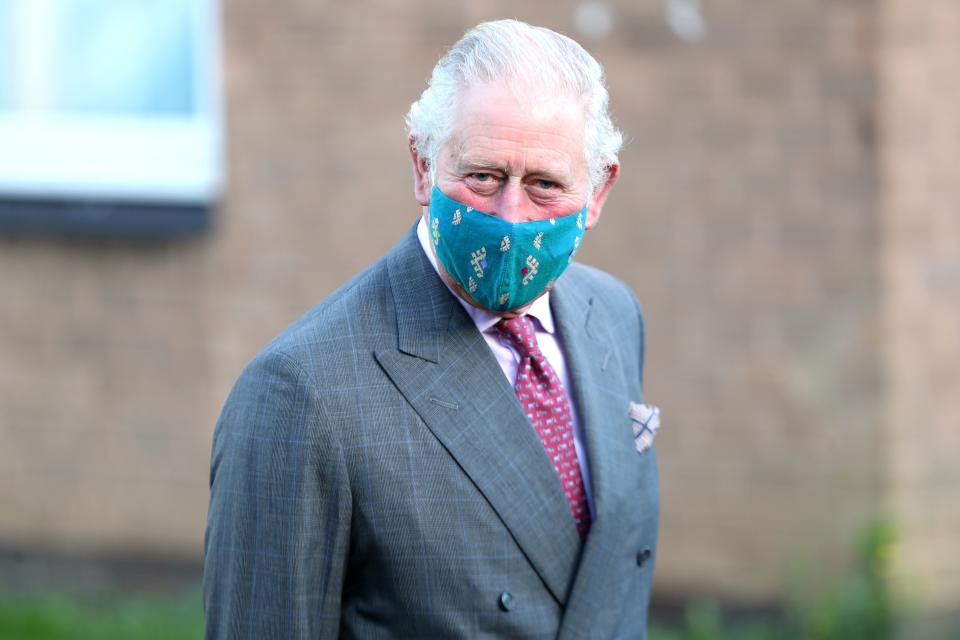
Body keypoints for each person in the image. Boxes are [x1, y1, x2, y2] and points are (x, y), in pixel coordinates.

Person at [203, 19, 660, 639]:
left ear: (599, 189)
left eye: (546, 185)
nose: (511, 218)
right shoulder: (302, 394)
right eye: (483, 177)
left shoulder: (611, 315)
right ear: (422, 165)